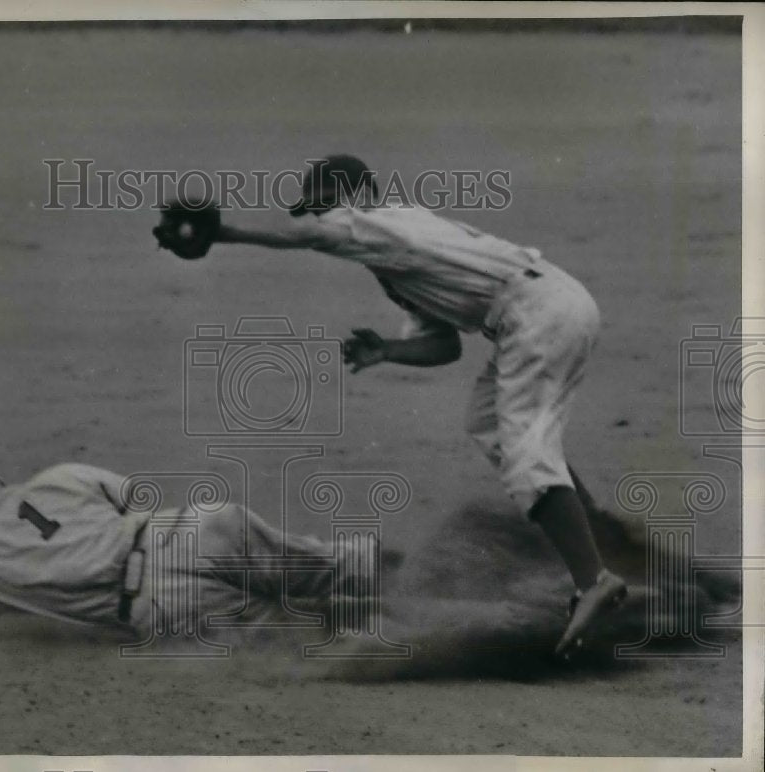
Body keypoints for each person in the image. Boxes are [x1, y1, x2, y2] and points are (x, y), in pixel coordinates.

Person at [166, 154, 627, 657]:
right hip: (541, 310)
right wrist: (387, 349)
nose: (322, 219)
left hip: (539, 313)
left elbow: (307, 235)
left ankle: (593, 580)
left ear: (357, 198)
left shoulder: (382, 223)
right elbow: (443, 345)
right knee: (489, 423)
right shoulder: (392, 252)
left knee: (524, 450)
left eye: (325, 207)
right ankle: (599, 540)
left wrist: (223, 232)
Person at [0, 460, 370, 640]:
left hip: (159, 601)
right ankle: (421, 573)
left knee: (311, 634)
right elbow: (144, 497)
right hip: (195, 528)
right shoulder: (60, 474)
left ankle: (426, 635)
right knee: (334, 565)